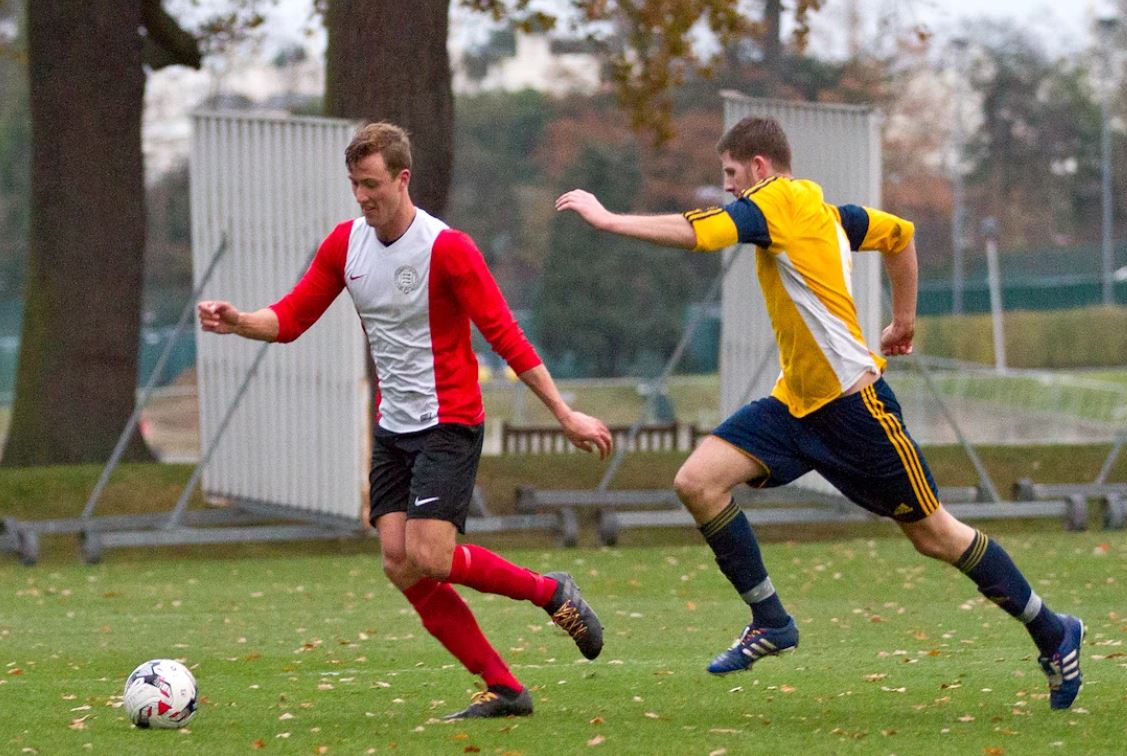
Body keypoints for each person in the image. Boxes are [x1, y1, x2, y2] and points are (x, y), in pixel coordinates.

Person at [555, 115, 1084, 710]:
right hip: (795, 407)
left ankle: (1055, 632)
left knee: (935, 535)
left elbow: (699, 232)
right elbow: (900, 236)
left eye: (731, 173)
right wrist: (903, 320)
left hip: (856, 411)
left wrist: (607, 218)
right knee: (698, 482)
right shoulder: (827, 213)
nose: (728, 186)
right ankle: (771, 620)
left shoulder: (775, 201)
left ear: (759, 167)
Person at [199, 121, 613, 720]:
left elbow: (506, 336)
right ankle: (504, 688)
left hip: (450, 421)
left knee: (433, 556)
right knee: (399, 562)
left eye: (371, 184)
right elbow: (290, 319)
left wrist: (564, 413)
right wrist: (239, 320)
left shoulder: (448, 248)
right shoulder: (345, 245)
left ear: (402, 179)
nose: (361, 196)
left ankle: (551, 592)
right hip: (394, 428)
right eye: (354, 184)